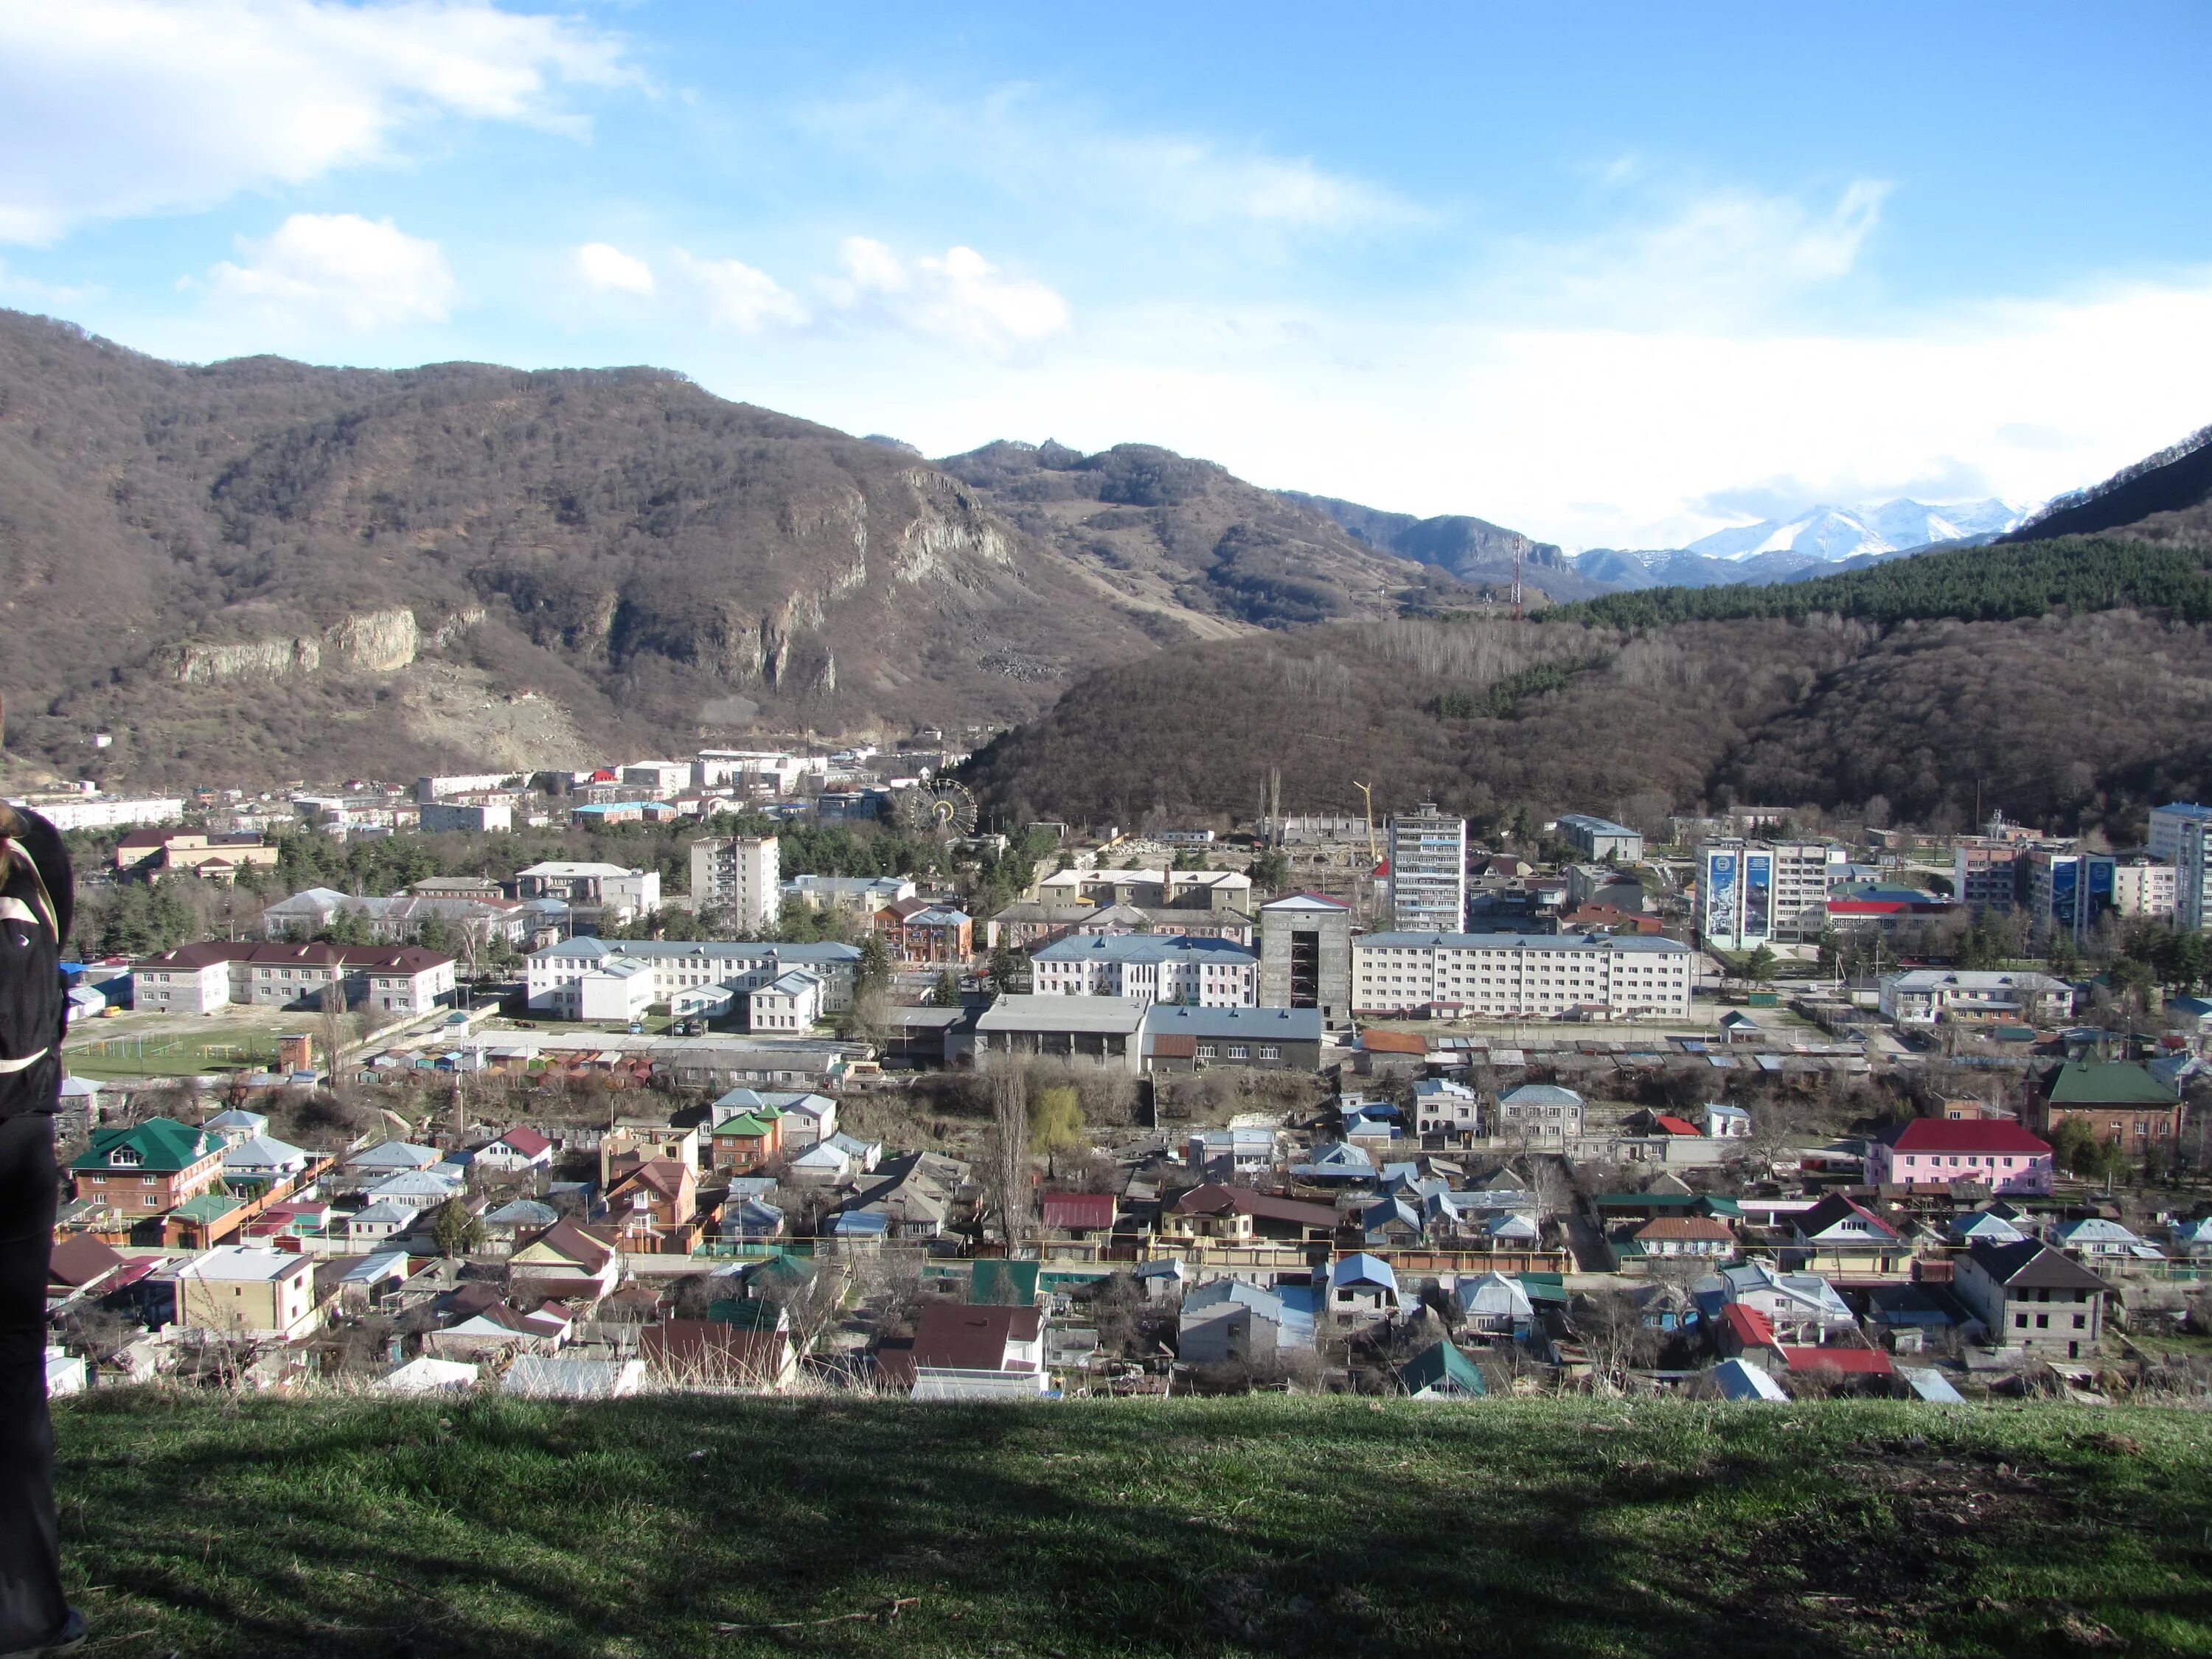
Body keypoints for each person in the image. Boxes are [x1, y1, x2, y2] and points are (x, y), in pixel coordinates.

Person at [0, 804, 82, 1658]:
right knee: (12, 1361)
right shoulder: (33, 882)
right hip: (14, 1139)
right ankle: (24, 1611)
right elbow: (46, 845)